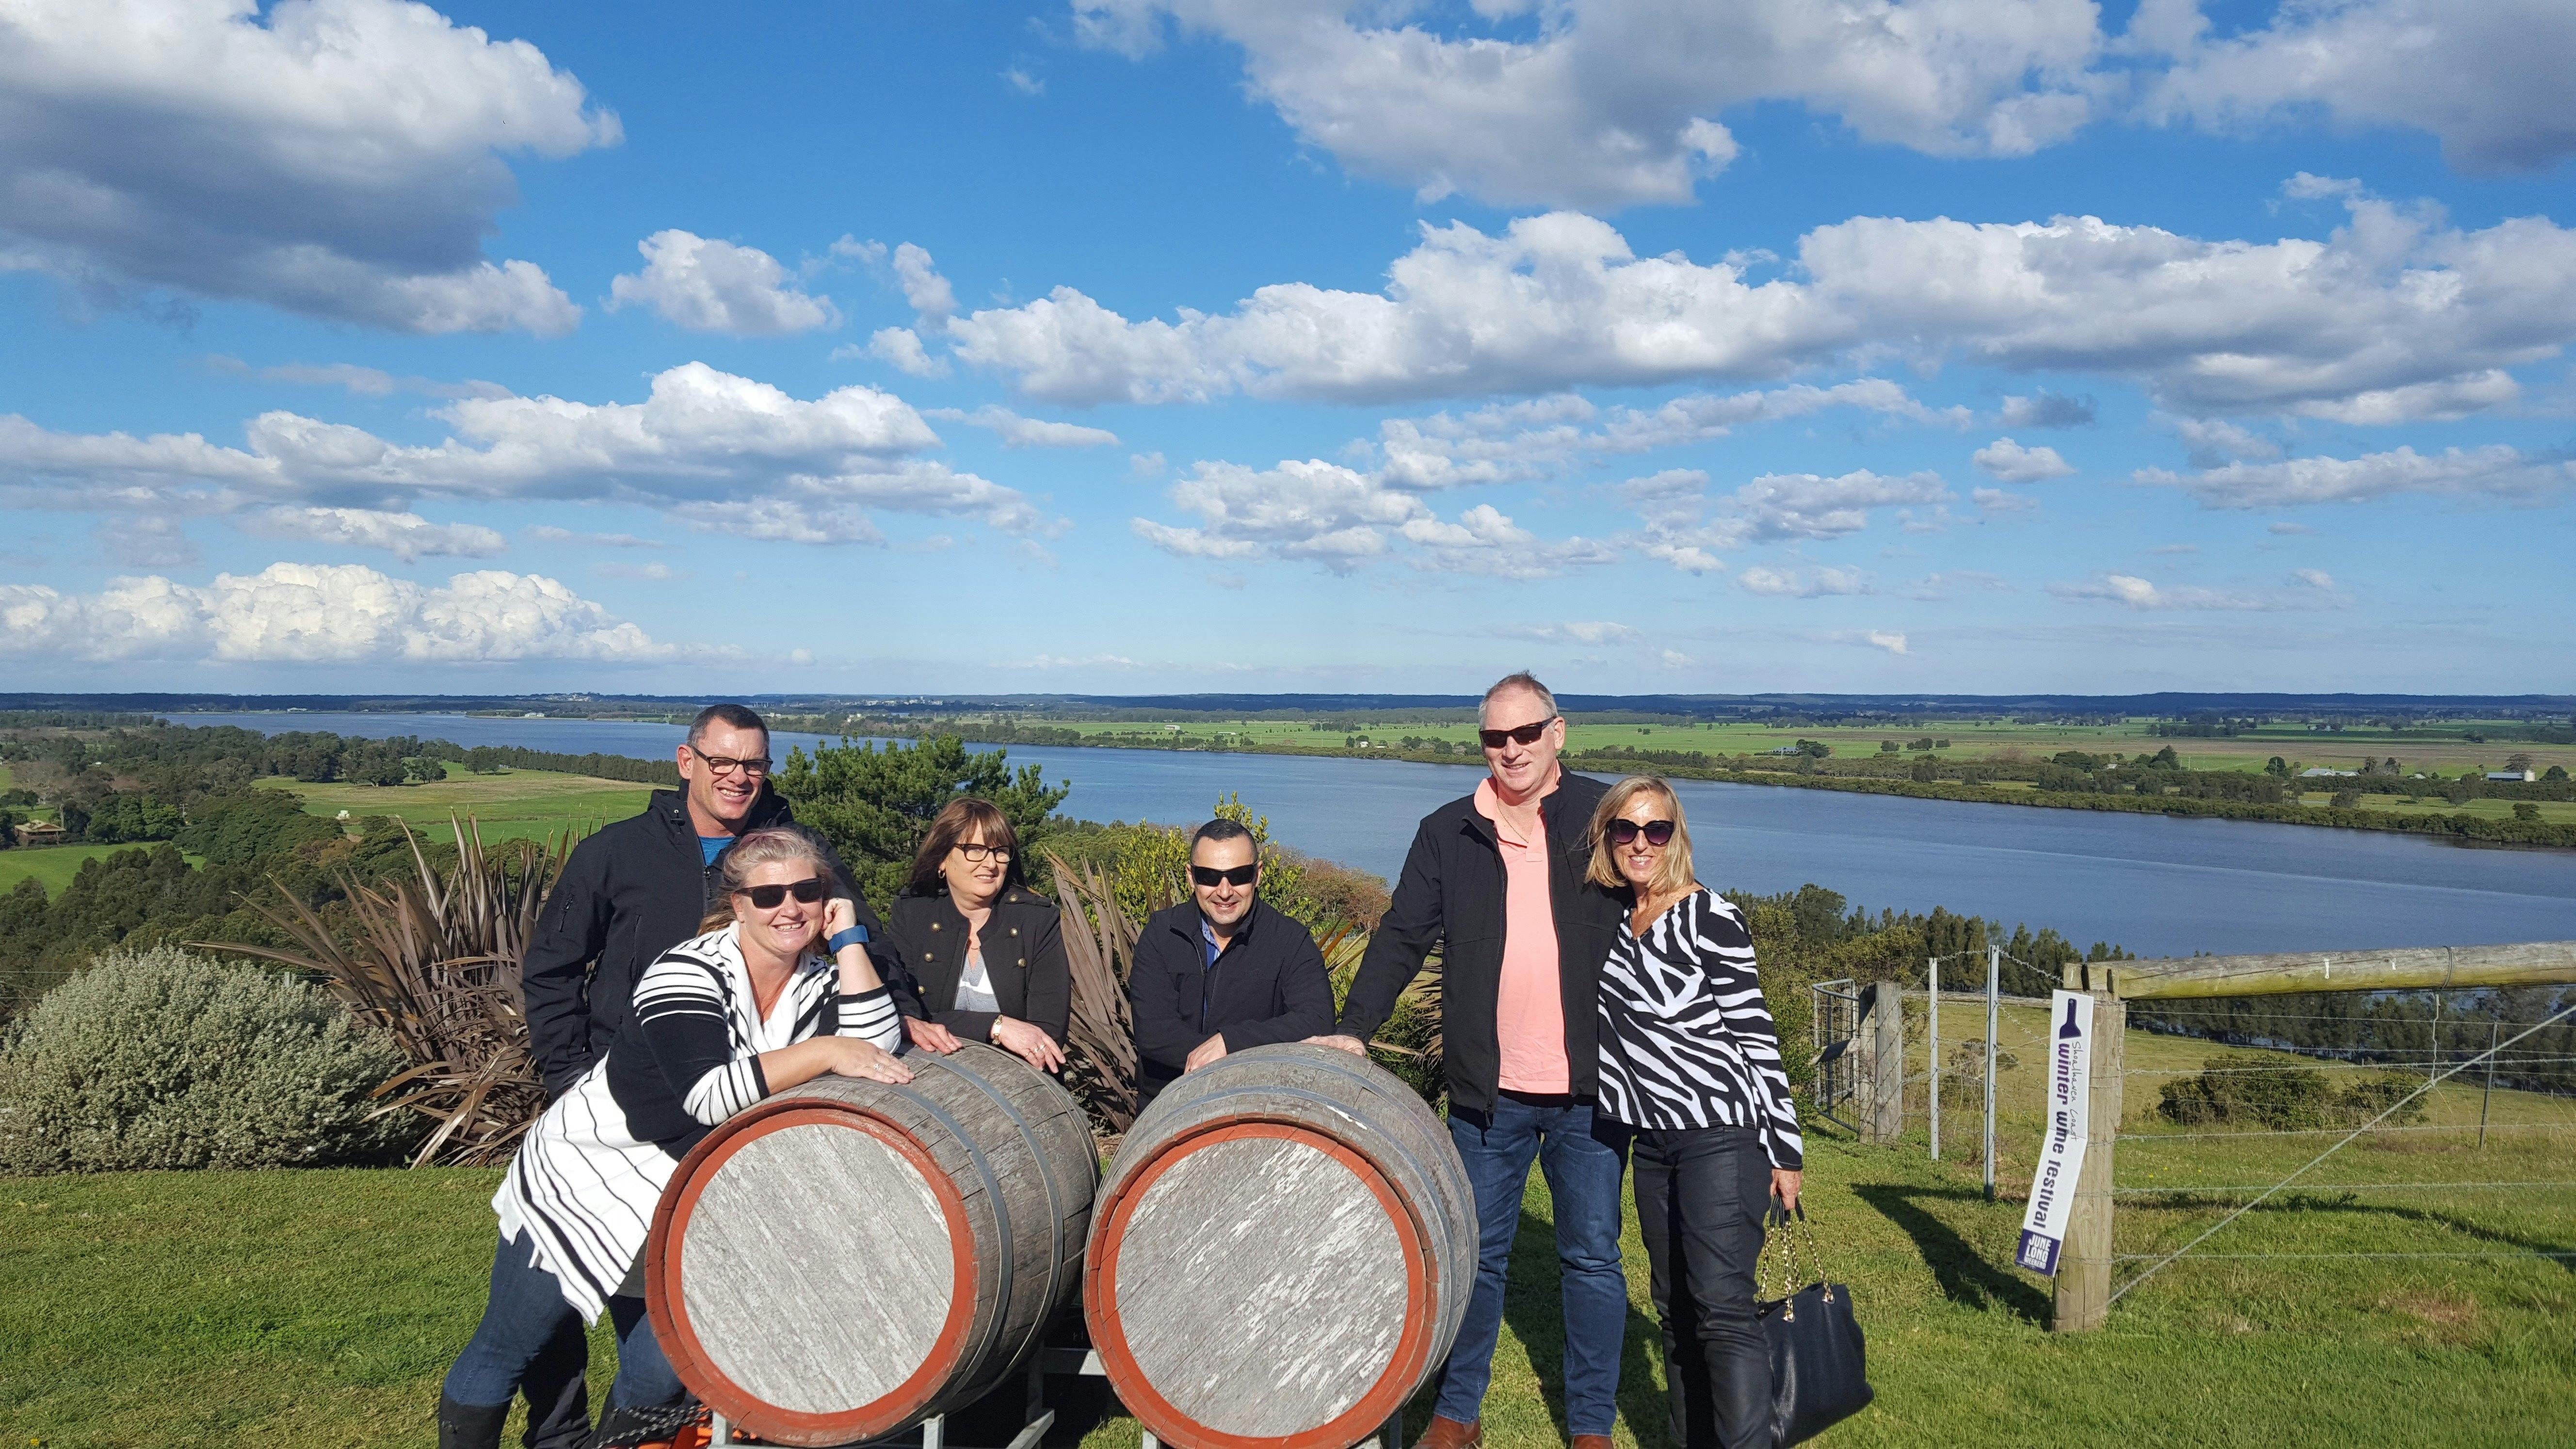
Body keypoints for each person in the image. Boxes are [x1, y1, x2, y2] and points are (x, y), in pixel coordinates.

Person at [440, 827, 911, 1449]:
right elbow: (707, 1096)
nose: (790, 908)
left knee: (659, 1377)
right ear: (738, 904)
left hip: (691, 1200)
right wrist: (823, 1050)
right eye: (768, 895)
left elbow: (875, 1047)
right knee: (511, 1346)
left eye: (806, 891)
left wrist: (849, 939)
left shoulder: (816, 979)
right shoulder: (686, 970)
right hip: (592, 1178)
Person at [1313, 672, 1627, 1449]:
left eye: (1526, 733)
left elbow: (1664, 907)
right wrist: (1355, 1028)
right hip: (1490, 1095)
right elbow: (1401, 936)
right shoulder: (1448, 831)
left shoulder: (1606, 816)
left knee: (1592, 1260)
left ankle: (1591, 1425)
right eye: (1495, 737)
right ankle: (1458, 1413)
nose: (1511, 749)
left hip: (1590, 1089)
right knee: (1476, 1260)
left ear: (1558, 732)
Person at [1589, 777, 1803, 1449]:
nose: (1641, 843)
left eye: (1656, 829)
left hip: (1720, 1137)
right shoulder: (1617, 920)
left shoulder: (1710, 917)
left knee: (1722, 1311)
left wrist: (1785, 1150)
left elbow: (1756, 1037)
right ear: (1608, 837)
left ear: (1675, 836)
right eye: (1626, 829)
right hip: (1653, 1144)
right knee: (1675, 1312)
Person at [1128, 817, 1336, 1107]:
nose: (1224, 892)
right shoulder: (1162, 934)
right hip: (1167, 1102)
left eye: (1238, 876)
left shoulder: (1290, 940)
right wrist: (1221, 1054)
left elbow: (1317, 1019)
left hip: (1254, 1104)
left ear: (1257, 875)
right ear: (1191, 876)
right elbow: (1154, 1033)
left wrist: (1230, 1043)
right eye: (1209, 877)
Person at [886, 798, 1069, 1074]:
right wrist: (996, 1027)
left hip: (1018, 1076)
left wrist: (940, 1024)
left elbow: (1047, 1033)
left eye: (1000, 852)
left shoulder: (1036, 920)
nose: (991, 863)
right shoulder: (912, 914)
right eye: (975, 850)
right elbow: (898, 1015)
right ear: (942, 859)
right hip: (926, 1072)